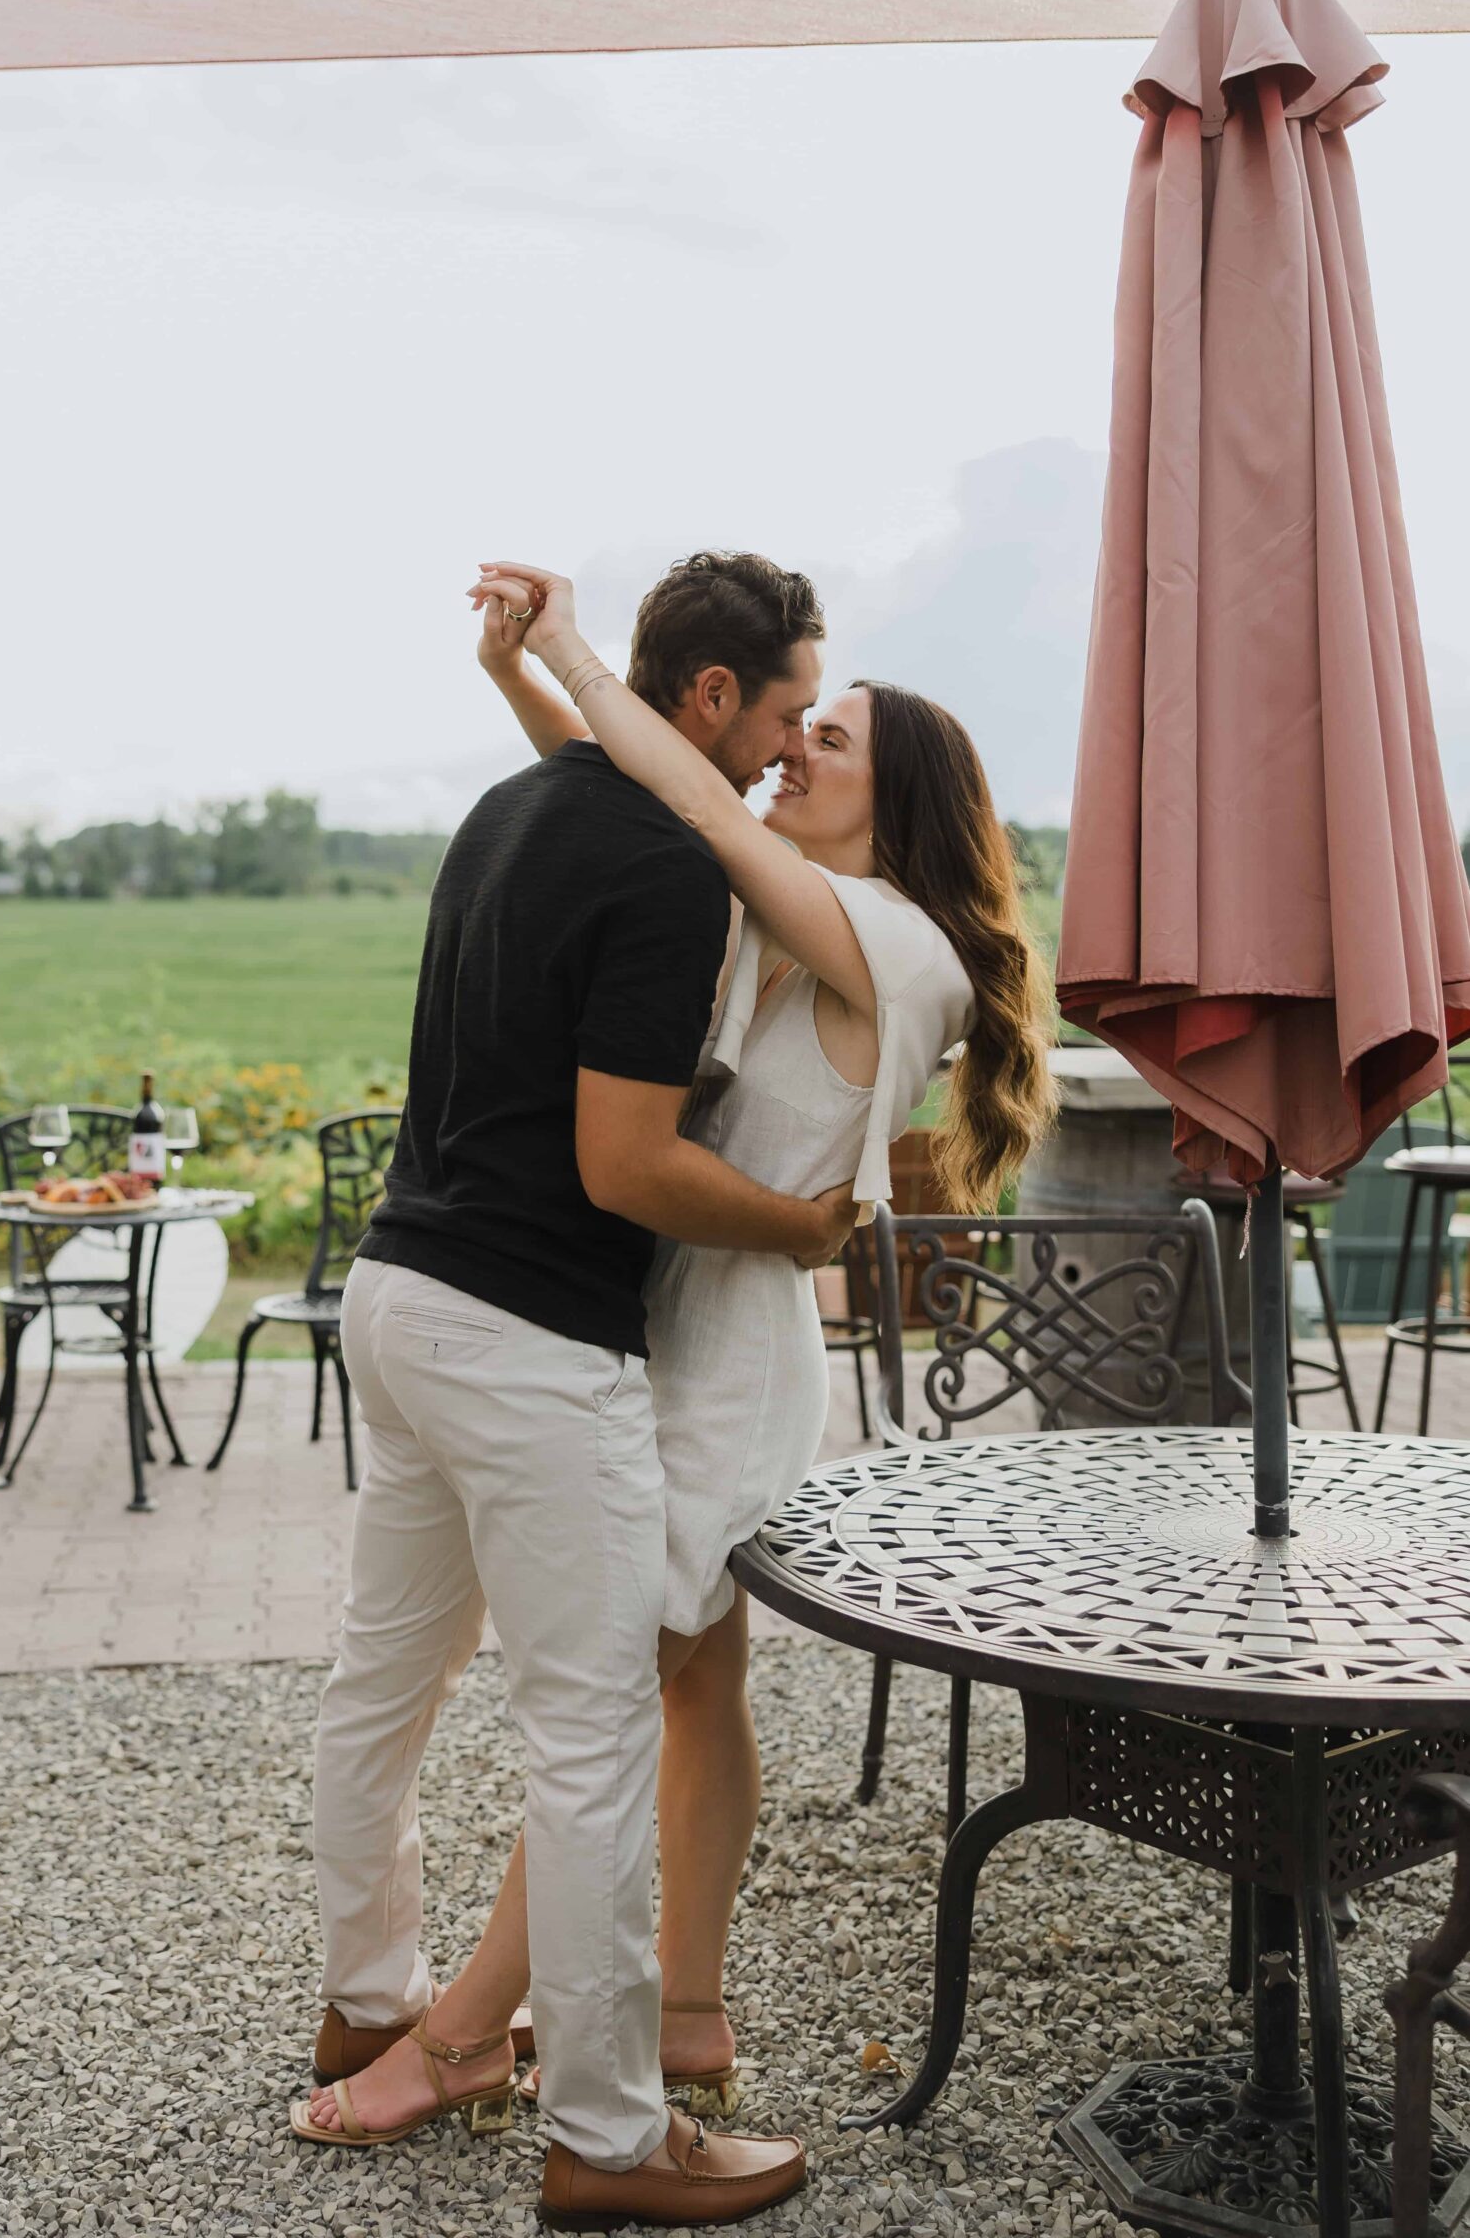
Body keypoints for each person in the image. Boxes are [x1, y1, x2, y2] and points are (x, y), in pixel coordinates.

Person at [318, 552, 1059, 2219]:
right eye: (798, 721)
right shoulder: (771, 915)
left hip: (724, 1364)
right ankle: (688, 2013)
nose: (794, 753)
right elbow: (637, 806)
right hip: (656, 1321)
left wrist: (575, 653)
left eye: (830, 740)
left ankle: (461, 2033)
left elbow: (692, 803)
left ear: (902, 800)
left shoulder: (903, 948)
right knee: (692, 1684)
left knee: (612, 1707)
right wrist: (530, 683)